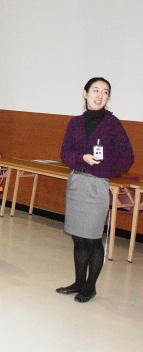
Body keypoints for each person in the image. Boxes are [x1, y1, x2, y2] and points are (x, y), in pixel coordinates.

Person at [57, 77, 133, 303]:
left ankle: (90, 287)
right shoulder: (75, 123)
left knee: (92, 238)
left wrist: (105, 170)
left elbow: (127, 157)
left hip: (97, 185)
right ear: (85, 93)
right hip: (76, 183)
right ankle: (79, 282)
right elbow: (65, 152)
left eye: (105, 92)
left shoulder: (113, 124)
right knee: (78, 238)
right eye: (95, 90)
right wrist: (82, 157)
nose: (100, 95)